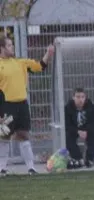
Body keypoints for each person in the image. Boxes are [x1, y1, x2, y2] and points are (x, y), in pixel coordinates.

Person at [0, 35, 54, 176]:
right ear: (2, 48)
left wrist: (48, 53)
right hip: (6, 105)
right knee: (4, 136)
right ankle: (2, 168)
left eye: (12, 44)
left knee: (23, 135)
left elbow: (41, 66)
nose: (12, 47)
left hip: (22, 105)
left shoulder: (21, 62)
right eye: (9, 45)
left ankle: (31, 168)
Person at [64, 88, 94, 168]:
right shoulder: (68, 108)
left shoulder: (90, 106)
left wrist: (86, 131)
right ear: (73, 98)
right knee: (68, 137)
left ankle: (89, 159)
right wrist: (78, 131)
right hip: (74, 129)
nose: (80, 99)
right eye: (78, 97)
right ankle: (78, 158)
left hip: (87, 129)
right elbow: (67, 125)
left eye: (82, 97)